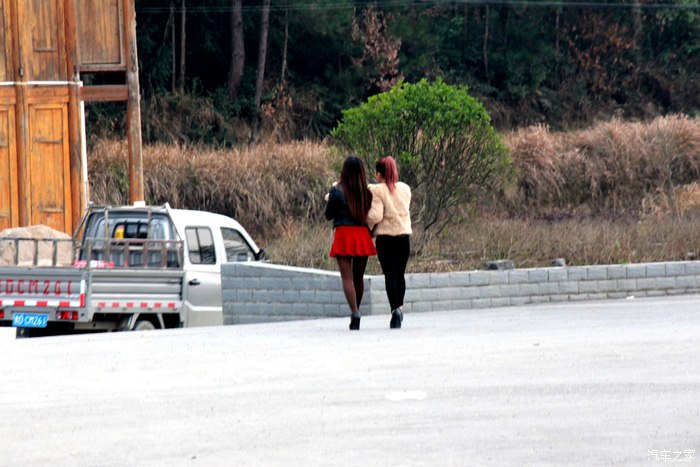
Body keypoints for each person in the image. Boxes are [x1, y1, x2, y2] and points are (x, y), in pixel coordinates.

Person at [324, 155, 377, 330]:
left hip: (344, 234)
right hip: (362, 235)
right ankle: (357, 310)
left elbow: (328, 215)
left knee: (347, 278)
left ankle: (354, 312)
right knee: (358, 277)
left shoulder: (336, 191)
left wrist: (330, 198)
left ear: (344, 170)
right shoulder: (366, 193)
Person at [368, 156, 412, 329]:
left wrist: (366, 224)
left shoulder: (377, 190)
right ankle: (400, 307)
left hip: (386, 239)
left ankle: (395, 310)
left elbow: (375, 215)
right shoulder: (405, 189)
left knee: (390, 275)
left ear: (379, 174)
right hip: (404, 237)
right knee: (400, 275)